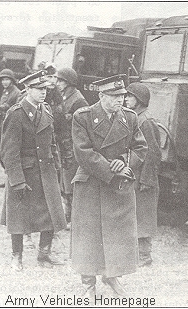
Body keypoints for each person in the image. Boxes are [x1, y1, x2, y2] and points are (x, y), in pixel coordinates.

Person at [71, 74, 147, 298]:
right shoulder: (82, 116)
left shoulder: (130, 118)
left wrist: (124, 164)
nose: (120, 100)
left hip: (120, 184)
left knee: (118, 235)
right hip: (92, 183)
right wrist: (110, 170)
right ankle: (88, 283)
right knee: (89, 234)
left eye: (122, 96)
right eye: (114, 96)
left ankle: (112, 276)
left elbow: (140, 148)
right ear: (101, 95)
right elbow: (83, 153)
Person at [0, 70, 67, 271]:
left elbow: (52, 142)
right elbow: (9, 151)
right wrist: (17, 179)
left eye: (45, 89)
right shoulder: (16, 113)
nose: (43, 92)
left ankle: (44, 254)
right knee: (19, 216)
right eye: (38, 89)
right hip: (25, 172)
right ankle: (17, 257)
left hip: (46, 171)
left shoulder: (46, 110)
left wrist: (56, 165)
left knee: (51, 212)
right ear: (27, 89)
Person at [125, 82, 161, 267]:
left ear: (139, 100)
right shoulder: (135, 118)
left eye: (130, 96)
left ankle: (145, 256)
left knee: (143, 217)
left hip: (143, 177)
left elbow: (153, 152)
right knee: (135, 214)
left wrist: (146, 179)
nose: (126, 99)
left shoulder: (145, 121)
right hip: (135, 174)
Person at [55, 67, 88, 225]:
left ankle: (76, 219)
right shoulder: (65, 97)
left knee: (71, 183)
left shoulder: (79, 100)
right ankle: (68, 215)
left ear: (69, 83)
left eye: (61, 81)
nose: (58, 83)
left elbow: (82, 126)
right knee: (64, 182)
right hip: (64, 144)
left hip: (73, 146)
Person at [0, 69, 21, 162]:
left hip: (11, 122)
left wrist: (3, 106)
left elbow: (17, 107)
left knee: (7, 144)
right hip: (3, 120)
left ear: (12, 80)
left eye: (7, 79)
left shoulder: (16, 92)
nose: (4, 82)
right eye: (3, 80)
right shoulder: (6, 91)